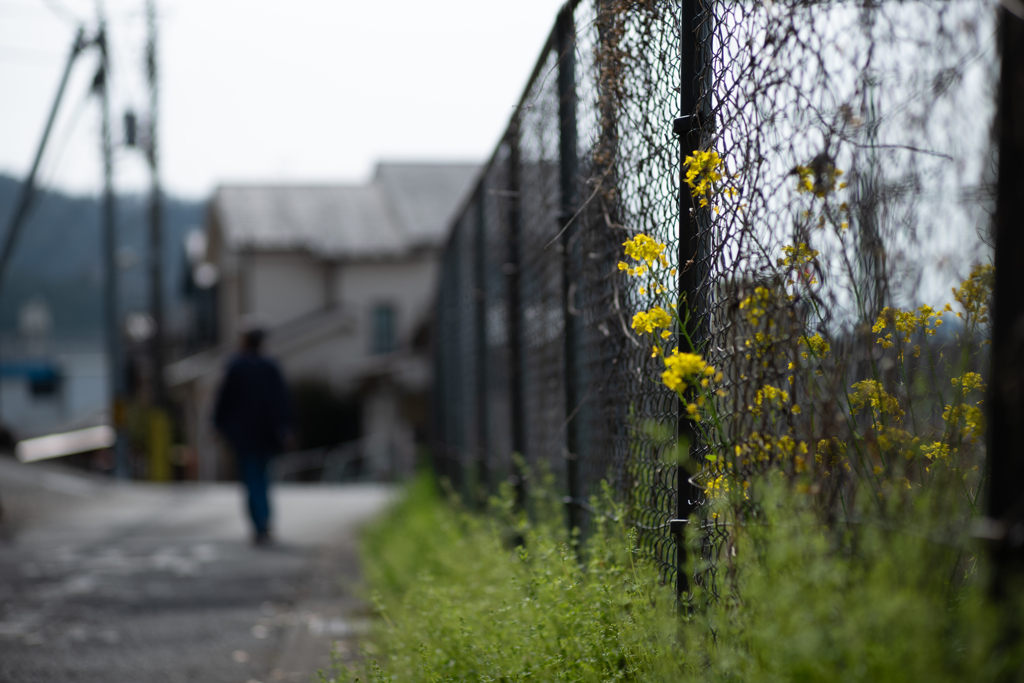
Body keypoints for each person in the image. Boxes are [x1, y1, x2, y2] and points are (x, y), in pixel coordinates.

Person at [213, 323, 292, 545]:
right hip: (267, 433)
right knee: (264, 477)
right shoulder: (271, 366)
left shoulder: (236, 367)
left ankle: (259, 524)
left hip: (243, 434)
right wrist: (287, 427)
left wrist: (218, 426)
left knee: (250, 478)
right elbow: (283, 400)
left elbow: (223, 401)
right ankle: (265, 521)